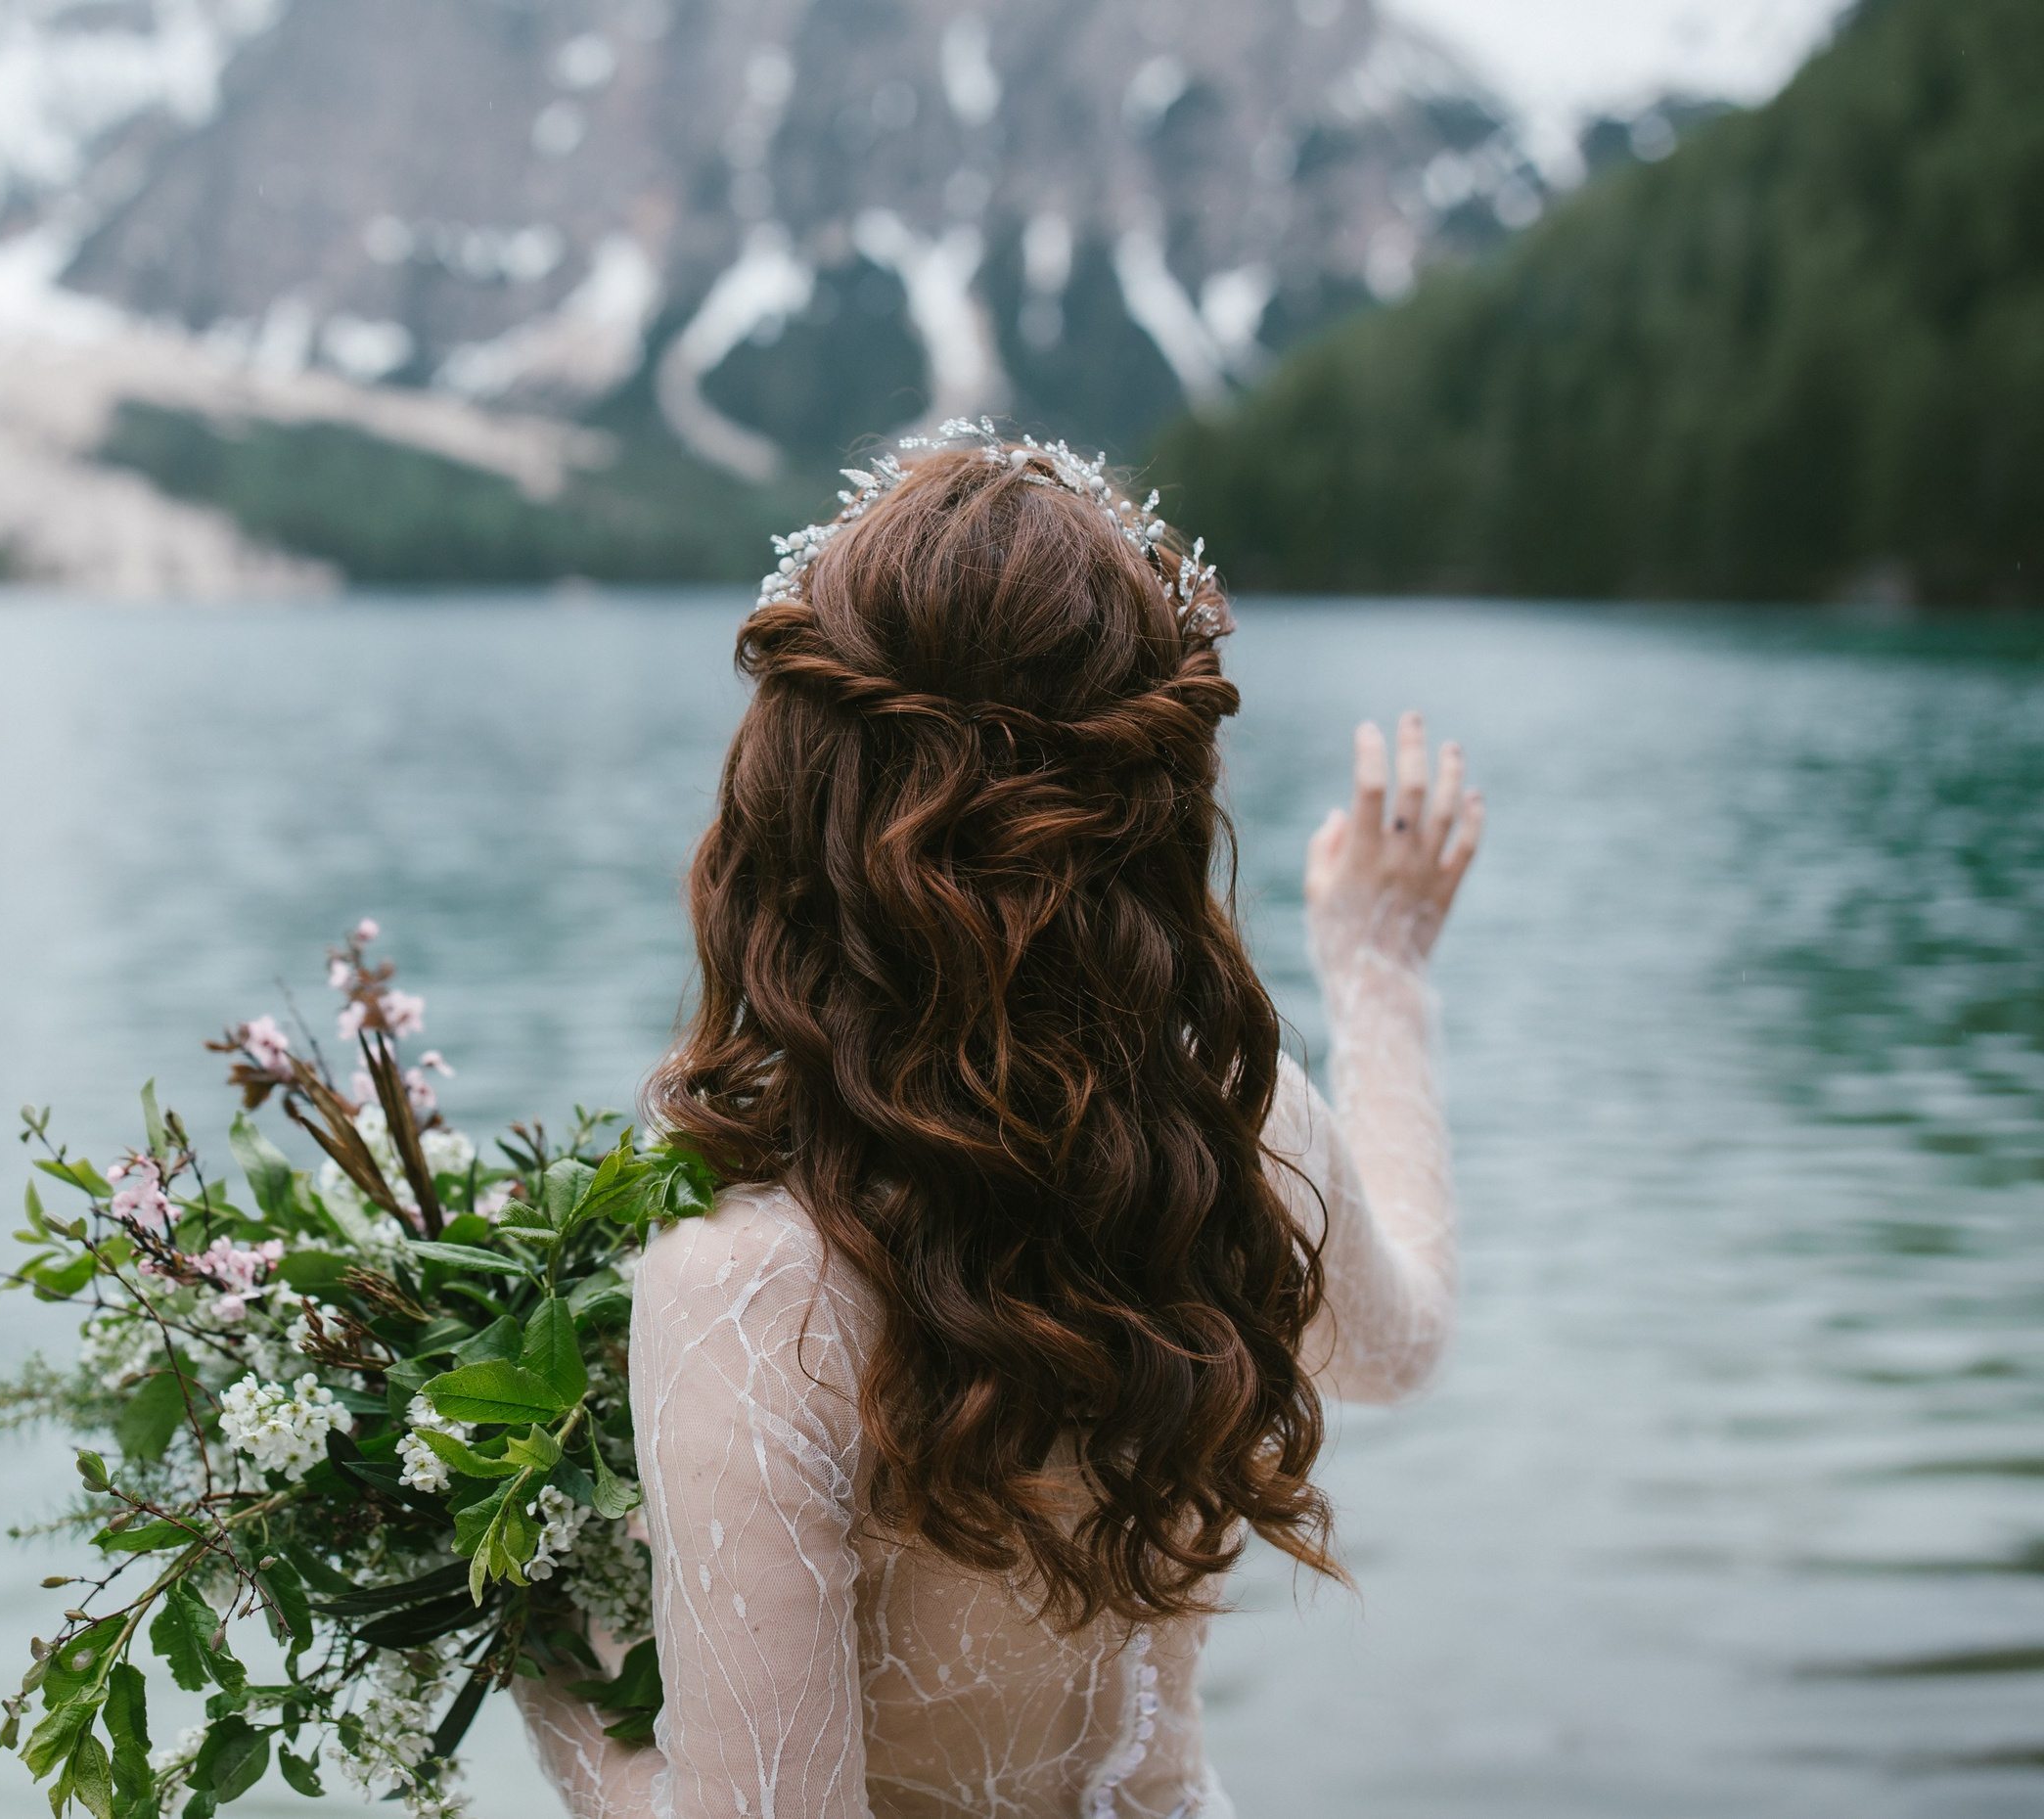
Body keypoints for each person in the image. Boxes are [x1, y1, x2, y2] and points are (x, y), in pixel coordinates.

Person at [516, 430, 1483, 1819]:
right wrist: (1381, 976)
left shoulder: (752, 1291)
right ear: (1154, 823)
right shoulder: (1232, 1134)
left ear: (787, 814)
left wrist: (548, 1654)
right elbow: (1405, 1347)